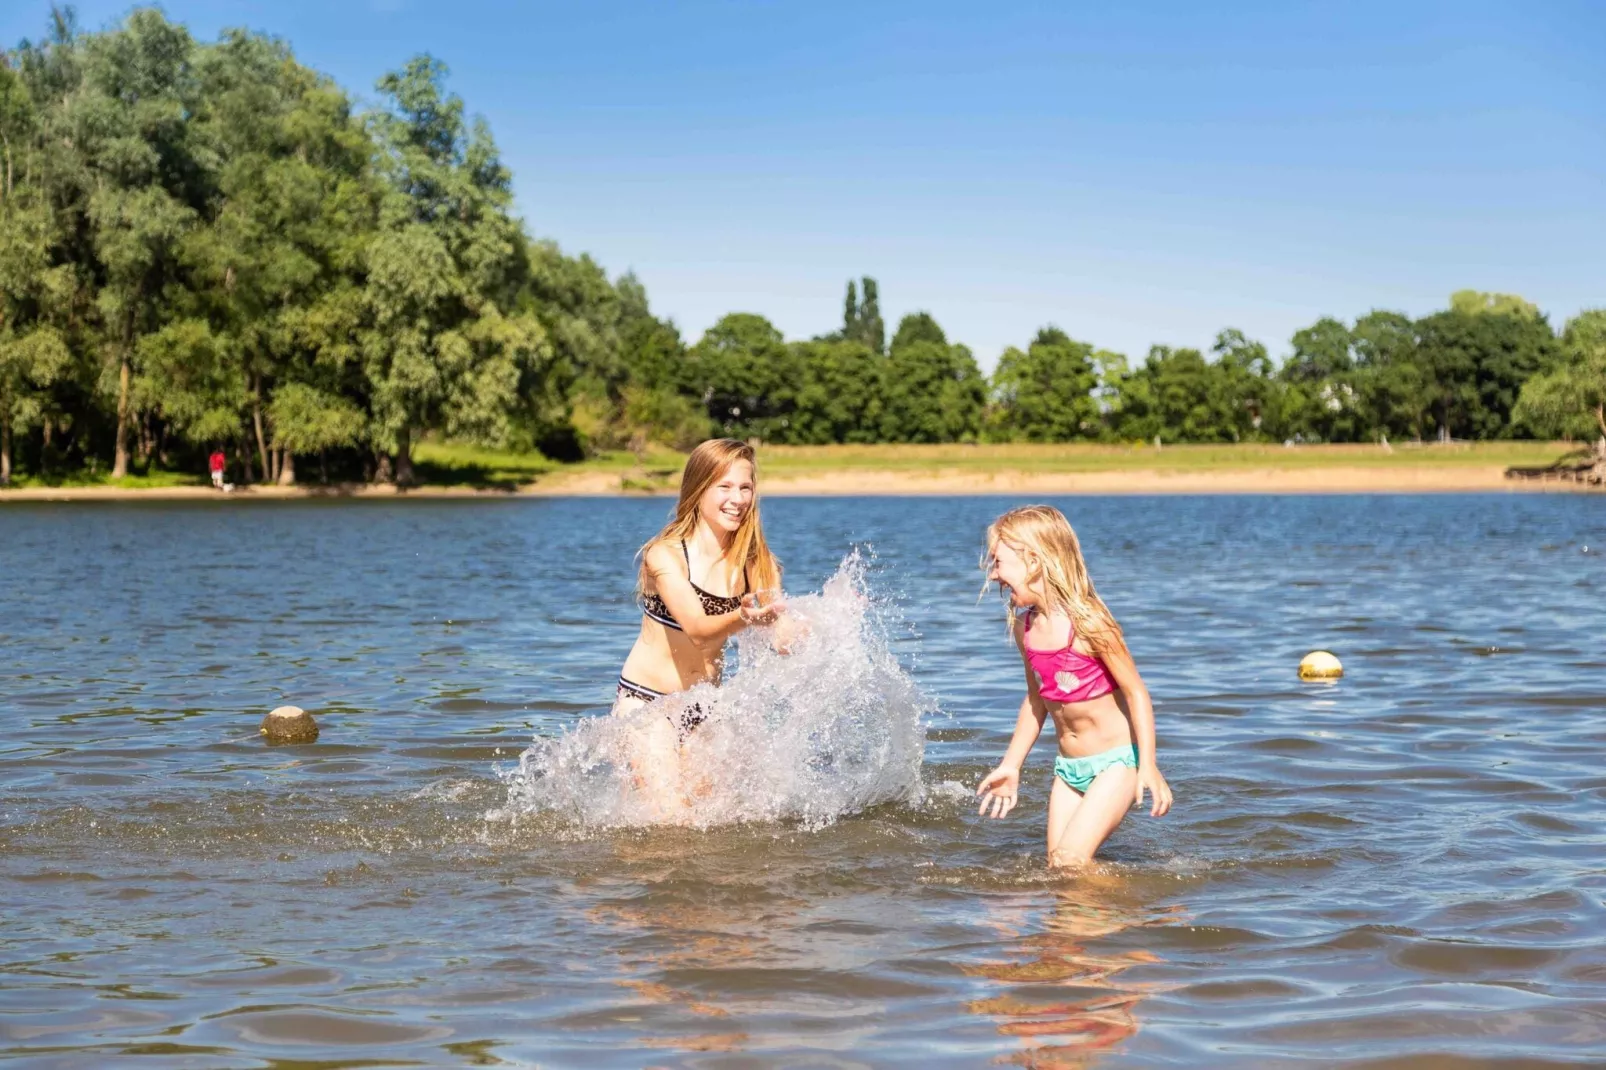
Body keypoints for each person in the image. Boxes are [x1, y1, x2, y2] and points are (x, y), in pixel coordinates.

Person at [976, 505, 1172, 865]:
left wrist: (1148, 765)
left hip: (1117, 764)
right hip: (1068, 770)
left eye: (999, 562)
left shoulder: (1090, 624)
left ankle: (1150, 908)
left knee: (1069, 861)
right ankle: (1118, 911)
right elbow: (1036, 701)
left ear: (1033, 561)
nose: (994, 576)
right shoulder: (1026, 629)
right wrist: (1011, 765)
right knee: (1060, 869)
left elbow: (1136, 692)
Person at [615, 438, 785, 814]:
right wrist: (743, 616)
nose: (737, 498)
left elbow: (782, 638)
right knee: (672, 821)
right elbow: (697, 626)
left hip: (703, 708)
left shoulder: (756, 562)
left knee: (714, 826)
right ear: (699, 488)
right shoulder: (665, 554)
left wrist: (826, 618)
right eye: (724, 486)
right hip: (647, 703)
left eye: (745, 487)